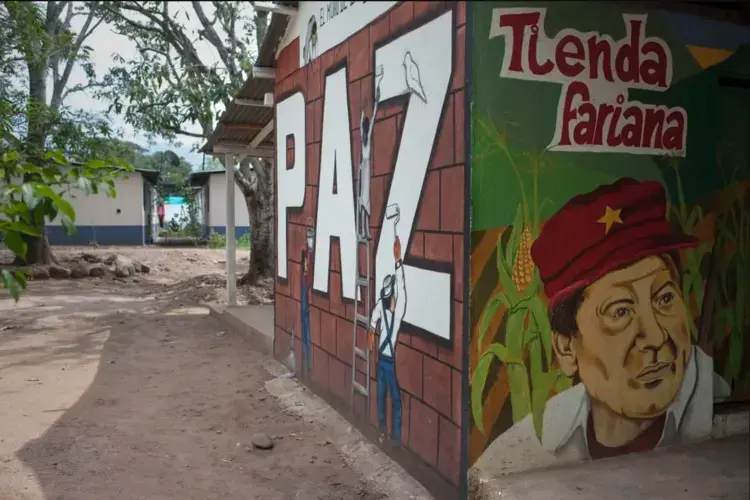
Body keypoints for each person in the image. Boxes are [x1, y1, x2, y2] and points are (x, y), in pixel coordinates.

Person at [473, 177, 731, 475]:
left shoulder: (720, 407)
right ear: (566, 348)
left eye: (665, 298)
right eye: (620, 311)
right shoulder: (530, 445)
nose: (656, 336)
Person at [368, 234, 407, 446]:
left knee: (390, 400)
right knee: (387, 400)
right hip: (385, 364)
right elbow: (372, 321)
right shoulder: (385, 310)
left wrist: (397, 261)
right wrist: (370, 335)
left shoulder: (395, 313)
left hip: (386, 363)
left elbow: (402, 289)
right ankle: (388, 436)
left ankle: (393, 438)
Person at [357, 87, 380, 240]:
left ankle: (366, 231)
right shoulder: (364, 138)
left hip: (365, 171)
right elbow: (364, 124)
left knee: (366, 202)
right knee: (364, 202)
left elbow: (369, 123)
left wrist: (375, 103)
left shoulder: (365, 138)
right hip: (364, 170)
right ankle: (364, 231)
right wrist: (363, 112)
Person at [300, 249, 312, 377]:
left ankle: (308, 365)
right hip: (304, 313)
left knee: (307, 337)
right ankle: (306, 364)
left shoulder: (308, 279)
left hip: (307, 313)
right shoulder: (303, 279)